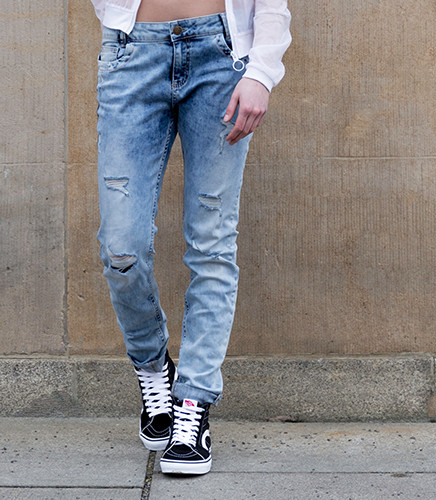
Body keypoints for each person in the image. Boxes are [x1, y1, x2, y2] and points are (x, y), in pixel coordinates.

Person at [91, 0, 291, 475]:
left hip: (222, 57)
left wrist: (261, 72)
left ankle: (193, 404)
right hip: (132, 55)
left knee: (212, 244)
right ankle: (153, 365)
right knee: (121, 247)